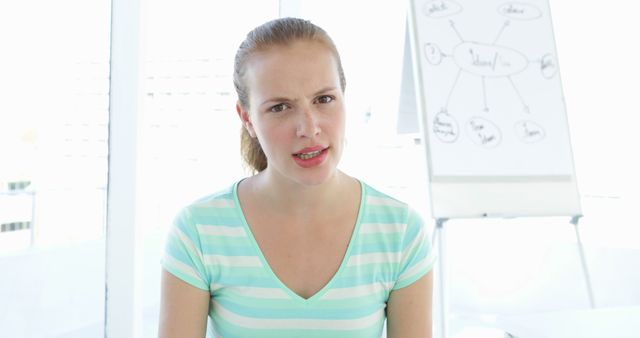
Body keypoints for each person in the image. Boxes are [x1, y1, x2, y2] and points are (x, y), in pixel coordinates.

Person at [158, 17, 435, 338]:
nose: (309, 128)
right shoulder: (198, 231)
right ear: (247, 118)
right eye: (280, 107)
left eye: (324, 99)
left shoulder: (400, 232)